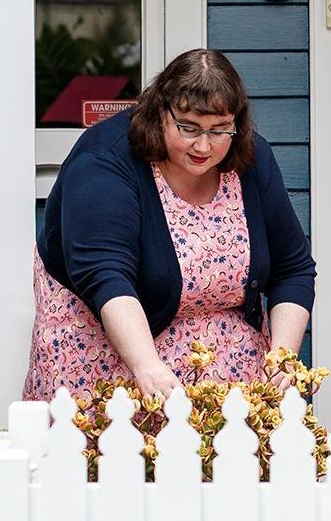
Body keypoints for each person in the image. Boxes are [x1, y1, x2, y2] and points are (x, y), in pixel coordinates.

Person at [23, 48, 315, 402]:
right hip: (110, 353)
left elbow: (293, 269)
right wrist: (148, 366)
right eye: (189, 128)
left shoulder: (250, 157)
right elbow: (106, 275)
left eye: (220, 130)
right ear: (160, 113)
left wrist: (281, 358)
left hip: (228, 371)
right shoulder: (104, 160)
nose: (204, 145)